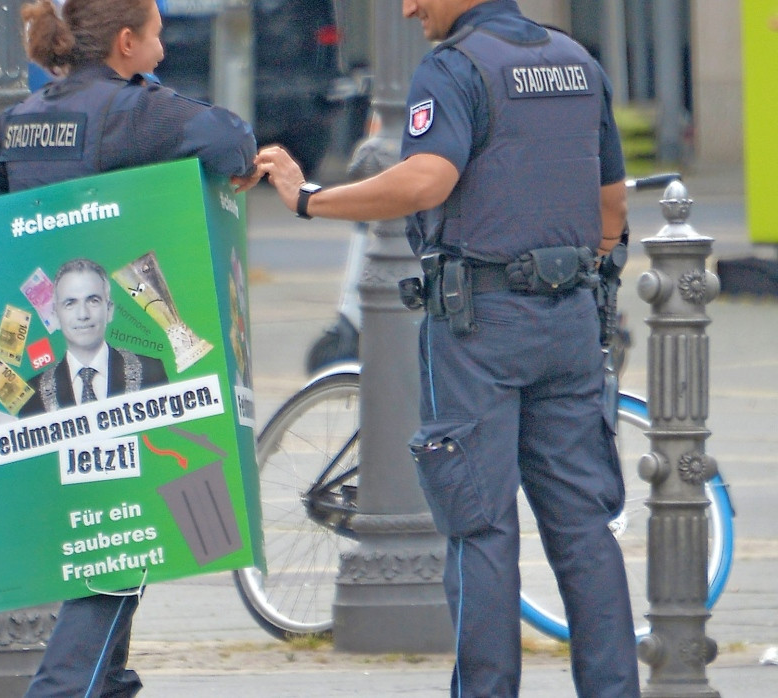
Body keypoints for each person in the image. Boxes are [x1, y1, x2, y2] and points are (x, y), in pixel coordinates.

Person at [251, 1, 639, 695]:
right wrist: (582, 278)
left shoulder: (454, 67)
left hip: (480, 328)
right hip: (571, 320)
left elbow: (426, 179)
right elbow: (612, 202)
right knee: (583, 530)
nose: (407, 8)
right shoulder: (577, 61)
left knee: (481, 529)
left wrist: (311, 198)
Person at [0, 0, 258, 693]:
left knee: (118, 534)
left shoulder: (22, 119)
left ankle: (106, 684)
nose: (163, 48)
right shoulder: (135, 110)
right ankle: (65, 688)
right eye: (157, 34)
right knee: (122, 539)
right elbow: (233, 143)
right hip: (119, 357)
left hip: (52, 369)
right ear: (126, 42)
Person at [19, 258, 168, 417]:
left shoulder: (151, 372)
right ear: (55, 315)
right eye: (70, 303)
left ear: (109, 310)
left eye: (93, 301)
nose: (83, 314)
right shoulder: (32, 395)